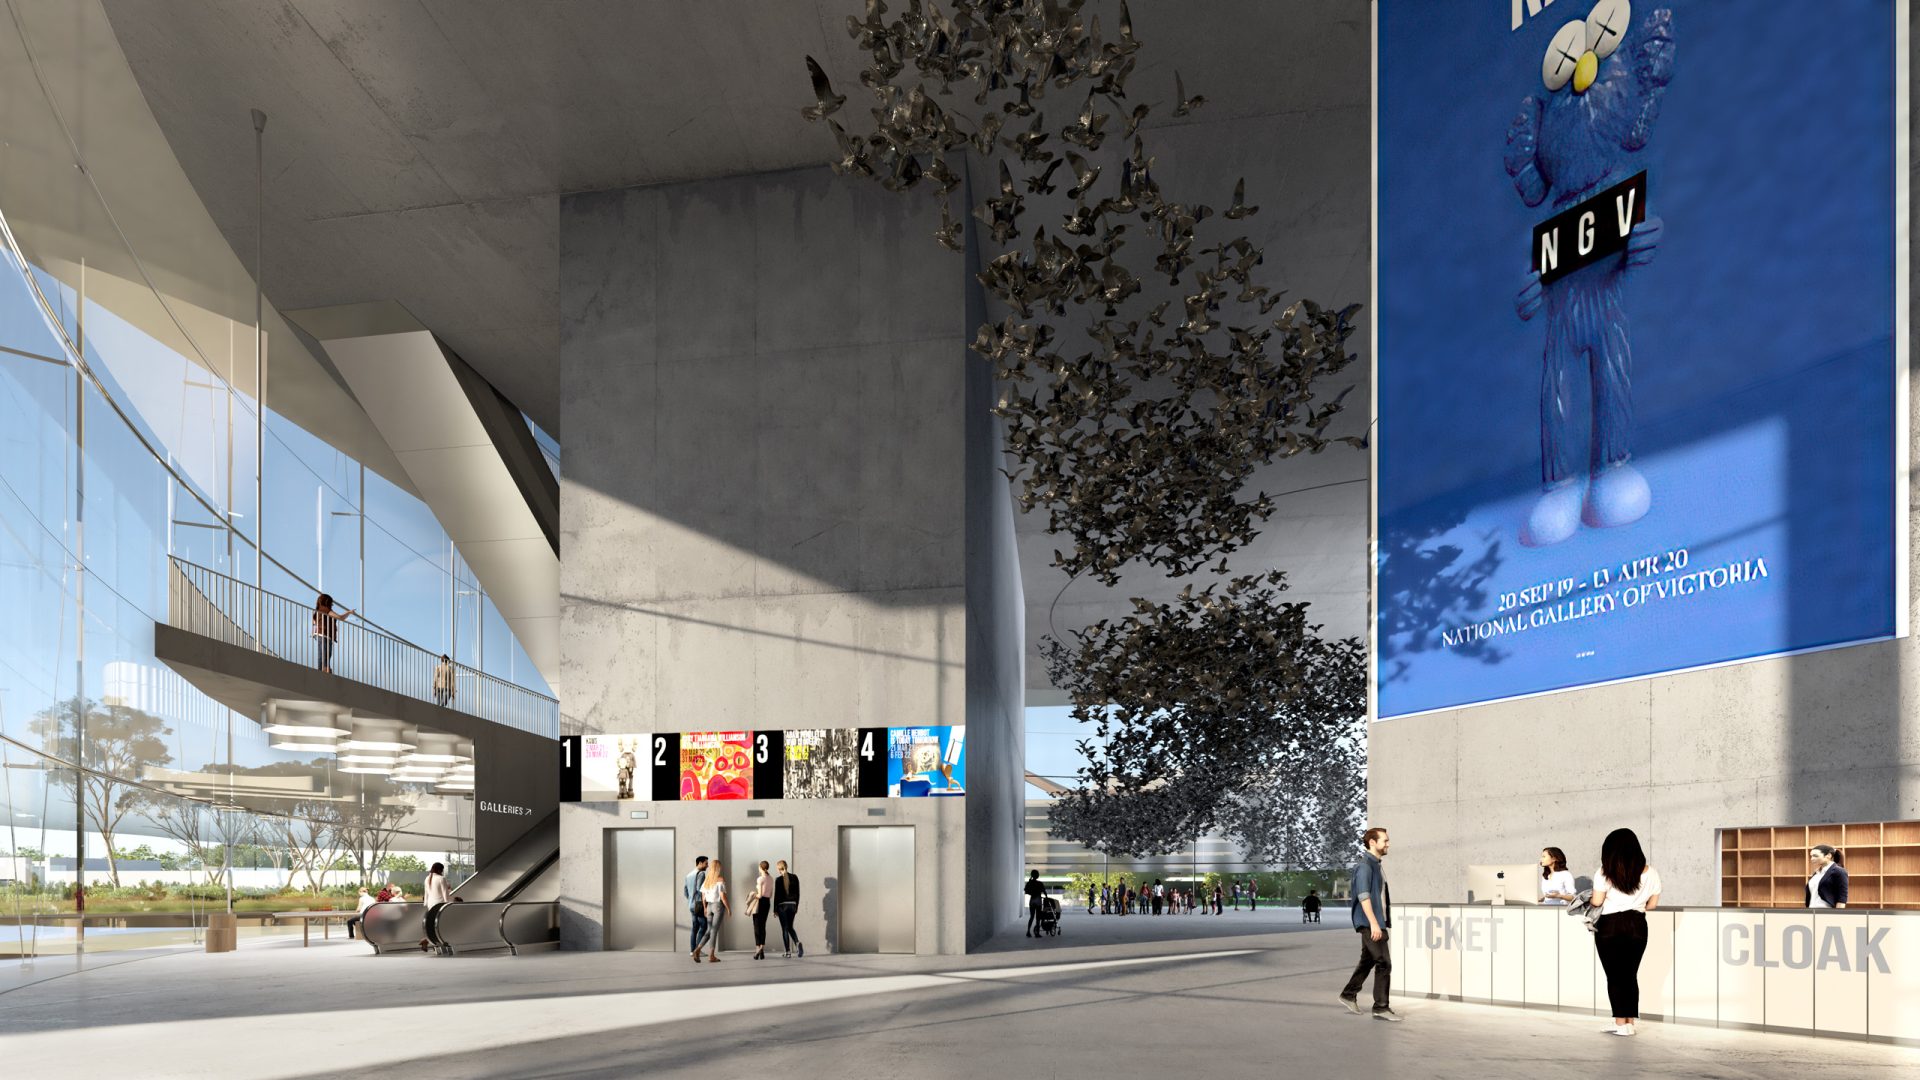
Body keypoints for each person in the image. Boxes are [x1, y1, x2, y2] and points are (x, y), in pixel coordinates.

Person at [1591, 827, 1661, 1036]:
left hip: (1609, 925)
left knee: (1614, 976)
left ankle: (1621, 1024)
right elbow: (1652, 905)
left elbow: (1597, 901)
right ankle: (1628, 1022)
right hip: (1637, 923)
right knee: (1630, 974)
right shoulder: (1651, 872)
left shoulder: (1604, 872)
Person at [1339, 827, 1401, 1021]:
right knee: (1384, 962)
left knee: (1368, 960)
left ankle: (1348, 994)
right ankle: (1381, 1007)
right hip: (1369, 922)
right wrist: (1374, 924)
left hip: (1375, 921)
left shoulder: (1375, 864)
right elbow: (1363, 896)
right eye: (1385, 840)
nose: (1388, 844)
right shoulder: (1365, 866)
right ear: (1372, 842)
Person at [311, 593, 353, 673]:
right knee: (326, 653)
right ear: (327, 602)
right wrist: (349, 612)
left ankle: (321, 669)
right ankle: (325, 668)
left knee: (322, 653)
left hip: (322, 634)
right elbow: (340, 617)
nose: (332, 605)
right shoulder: (325, 609)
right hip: (325, 634)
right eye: (331, 603)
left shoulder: (318, 610)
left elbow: (314, 621)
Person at [699, 859, 730, 962]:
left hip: (708, 907)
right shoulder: (720, 879)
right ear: (718, 868)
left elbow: (703, 896)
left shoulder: (707, 880)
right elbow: (722, 896)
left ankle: (697, 949)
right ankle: (711, 956)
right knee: (714, 931)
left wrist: (704, 908)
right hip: (717, 906)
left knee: (709, 930)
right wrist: (728, 908)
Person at [773, 859, 804, 958]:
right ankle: (797, 942)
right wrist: (796, 906)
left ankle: (788, 952)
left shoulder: (778, 880)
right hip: (792, 905)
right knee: (790, 927)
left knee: (785, 929)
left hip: (783, 906)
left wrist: (775, 909)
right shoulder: (795, 877)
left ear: (779, 869)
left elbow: (777, 896)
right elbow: (798, 893)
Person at [418, 861, 450, 952]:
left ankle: (427, 940)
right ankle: (431, 941)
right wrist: (448, 904)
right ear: (440, 870)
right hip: (439, 904)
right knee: (440, 925)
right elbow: (445, 893)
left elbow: (426, 893)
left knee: (432, 925)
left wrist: (426, 903)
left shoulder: (427, 878)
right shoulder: (441, 878)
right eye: (442, 870)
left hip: (430, 904)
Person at [1806, 844, 1849, 908]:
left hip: (1827, 913)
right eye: (1811, 856)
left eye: (1815, 856)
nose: (1812, 859)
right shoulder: (1816, 873)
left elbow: (1842, 898)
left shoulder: (1839, 871)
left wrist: (1838, 915)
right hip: (1812, 911)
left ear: (1828, 855)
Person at [686, 855, 710, 961]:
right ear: (699, 863)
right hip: (698, 904)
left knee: (695, 927)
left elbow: (685, 891)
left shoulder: (688, 875)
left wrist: (690, 900)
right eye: (706, 863)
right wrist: (704, 903)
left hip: (691, 904)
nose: (707, 865)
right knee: (704, 926)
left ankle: (692, 951)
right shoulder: (701, 874)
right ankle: (697, 951)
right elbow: (701, 889)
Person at [750, 860, 773, 959]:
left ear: (761, 868)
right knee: (763, 926)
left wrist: (753, 895)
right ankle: (761, 951)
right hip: (767, 902)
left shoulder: (760, 879)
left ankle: (758, 949)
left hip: (760, 902)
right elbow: (771, 894)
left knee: (756, 926)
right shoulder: (771, 878)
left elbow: (759, 895)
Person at [1024, 870, 1047, 937]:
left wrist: (1032, 892)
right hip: (1038, 900)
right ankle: (1037, 933)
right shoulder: (1040, 883)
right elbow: (1044, 891)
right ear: (1037, 875)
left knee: (1031, 917)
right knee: (1038, 918)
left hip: (1032, 900)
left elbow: (1026, 891)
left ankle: (1028, 931)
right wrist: (1046, 897)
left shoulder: (1029, 883)